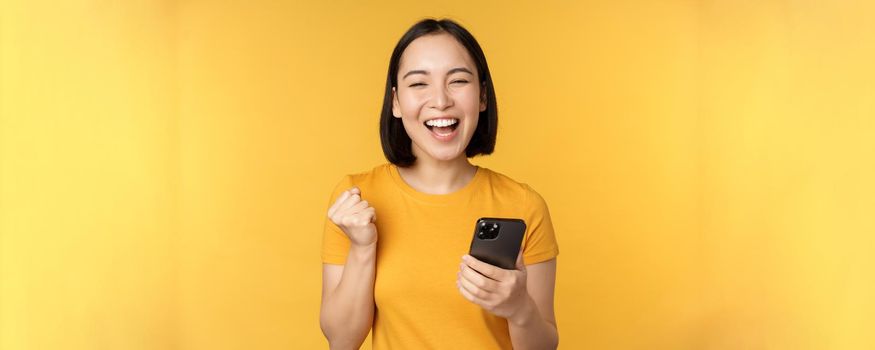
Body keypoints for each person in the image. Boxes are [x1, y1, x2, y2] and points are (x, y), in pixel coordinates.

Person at [319, 18, 559, 350]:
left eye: (458, 80)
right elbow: (342, 341)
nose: (441, 100)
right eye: (419, 84)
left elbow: (543, 347)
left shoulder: (524, 204)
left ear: (483, 96)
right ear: (396, 103)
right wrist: (362, 248)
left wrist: (520, 310)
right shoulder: (357, 200)